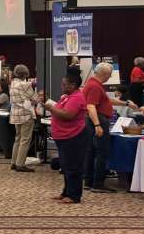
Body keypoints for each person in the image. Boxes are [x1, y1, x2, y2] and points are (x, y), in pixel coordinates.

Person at [47, 70, 89, 205]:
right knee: (65, 166)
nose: (62, 86)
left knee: (73, 166)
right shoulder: (67, 96)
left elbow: (68, 115)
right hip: (64, 136)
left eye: (64, 84)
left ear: (73, 85)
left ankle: (74, 195)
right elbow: (60, 110)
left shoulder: (77, 97)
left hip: (73, 136)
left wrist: (51, 108)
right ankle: (66, 192)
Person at [82, 62, 116, 193]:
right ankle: (98, 183)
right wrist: (97, 125)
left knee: (91, 151)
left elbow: (105, 101)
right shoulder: (95, 86)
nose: (109, 77)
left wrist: (126, 103)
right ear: (105, 74)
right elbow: (91, 106)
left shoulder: (93, 84)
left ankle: (89, 181)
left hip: (94, 119)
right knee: (102, 152)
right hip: (98, 119)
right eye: (109, 75)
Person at [8, 65, 38, 172]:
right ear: (25, 74)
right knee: (25, 140)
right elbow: (35, 98)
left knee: (18, 139)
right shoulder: (25, 85)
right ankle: (20, 164)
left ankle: (14, 162)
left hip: (15, 115)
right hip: (25, 115)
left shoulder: (13, 84)